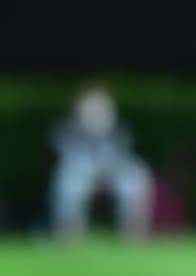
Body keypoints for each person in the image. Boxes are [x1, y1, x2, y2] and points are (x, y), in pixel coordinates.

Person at [48, 82, 154, 241]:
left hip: (113, 174)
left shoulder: (119, 129)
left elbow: (122, 157)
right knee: (69, 180)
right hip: (81, 174)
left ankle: (134, 230)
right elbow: (66, 157)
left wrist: (106, 175)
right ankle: (69, 231)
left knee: (136, 176)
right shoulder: (65, 130)